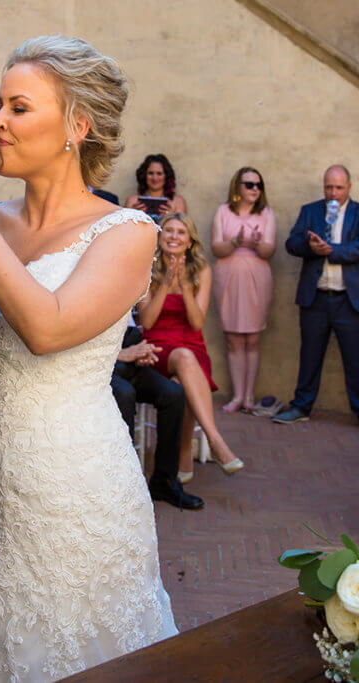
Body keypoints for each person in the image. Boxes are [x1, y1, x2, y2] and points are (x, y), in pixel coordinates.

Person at [0, 34, 178, 680]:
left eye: (17, 107)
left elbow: (46, 328)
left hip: (77, 491)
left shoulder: (127, 233)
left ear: (76, 126)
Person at [274, 165, 359, 436]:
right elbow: (291, 243)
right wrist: (310, 247)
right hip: (316, 297)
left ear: (349, 186)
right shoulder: (310, 210)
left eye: (338, 187)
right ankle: (301, 407)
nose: (333, 193)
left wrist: (331, 250)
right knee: (309, 355)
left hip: (349, 299)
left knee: (357, 358)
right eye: (328, 187)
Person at [134, 212, 244, 483]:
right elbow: (147, 321)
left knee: (181, 381)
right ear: (160, 237)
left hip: (191, 347)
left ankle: (180, 454)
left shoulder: (201, 270)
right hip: (157, 348)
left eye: (181, 232)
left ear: (190, 241)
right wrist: (164, 284)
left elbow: (196, 322)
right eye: (168, 230)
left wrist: (183, 285)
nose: (174, 236)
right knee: (182, 359)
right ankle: (216, 441)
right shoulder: (146, 268)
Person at [112, 325, 204, 510]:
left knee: (173, 393)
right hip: (101, 365)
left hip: (129, 355)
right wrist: (120, 354)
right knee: (125, 394)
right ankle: (124, 487)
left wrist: (141, 352)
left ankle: (164, 482)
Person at [210, 167, 276, 413]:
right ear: (237, 186)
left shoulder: (266, 213)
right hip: (228, 278)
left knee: (253, 338)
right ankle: (237, 395)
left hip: (256, 280)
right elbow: (216, 248)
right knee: (233, 339)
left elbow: (270, 250)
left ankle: (249, 395)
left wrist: (258, 244)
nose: (255, 190)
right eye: (249, 184)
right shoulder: (222, 212)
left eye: (259, 185)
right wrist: (235, 242)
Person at [125, 154, 187, 219]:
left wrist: (171, 216)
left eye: (159, 173)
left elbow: (182, 227)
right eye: (151, 173)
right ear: (144, 175)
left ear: (167, 176)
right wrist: (133, 214)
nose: (155, 178)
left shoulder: (177, 202)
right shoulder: (133, 201)